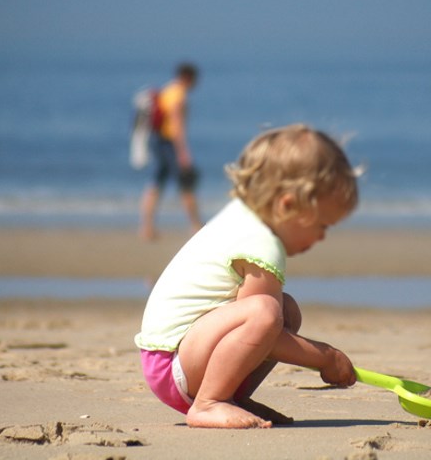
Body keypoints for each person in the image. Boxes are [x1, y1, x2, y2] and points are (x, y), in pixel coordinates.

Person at [134, 124, 360, 429]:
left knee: (285, 309)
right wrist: (326, 358)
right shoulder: (261, 244)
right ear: (288, 205)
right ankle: (209, 402)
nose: (321, 238)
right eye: (322, 225)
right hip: (172, 365)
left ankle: (228, 396)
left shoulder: (245, 219)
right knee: (267, 312)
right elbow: (265, 327)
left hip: (179, 358)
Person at [140, 63, 202, 241]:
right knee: (186, 184)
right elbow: (177, 126)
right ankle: (196, 225)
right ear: (189, 78)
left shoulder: (167, 90)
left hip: (157, 140)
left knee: (156, 183)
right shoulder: (179, 95)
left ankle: (146, 227)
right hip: (169, 143)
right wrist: (183, 152)